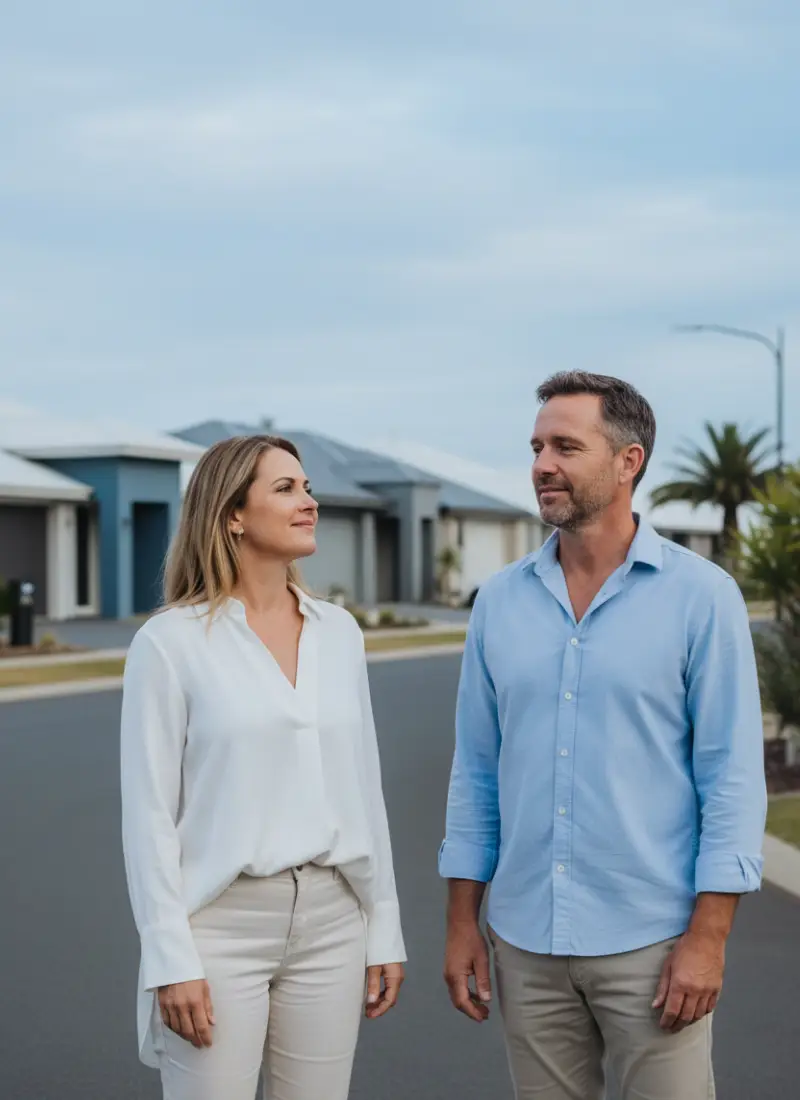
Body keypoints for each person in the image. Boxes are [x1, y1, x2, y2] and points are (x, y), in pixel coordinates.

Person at [440, 371, 766, 1100]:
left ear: (628, 461)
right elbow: (477, 772)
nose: (542, 465)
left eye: (565, 446)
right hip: (525, 940)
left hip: (654, 943)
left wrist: (708, 938)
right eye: (536, 447)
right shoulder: (499, 602)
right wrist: (463, 922)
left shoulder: (702, 597)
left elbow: (731, 778)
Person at [120, 434, 406, 1100]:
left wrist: (383, 926)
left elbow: (364, 788)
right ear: (232, 515)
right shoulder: (169, 644)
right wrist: (169, 956)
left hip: (333, 922)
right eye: (285, 489)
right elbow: (149, 816)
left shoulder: (340, 633)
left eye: (307, 488)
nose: (309, 502)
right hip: (220, 928)